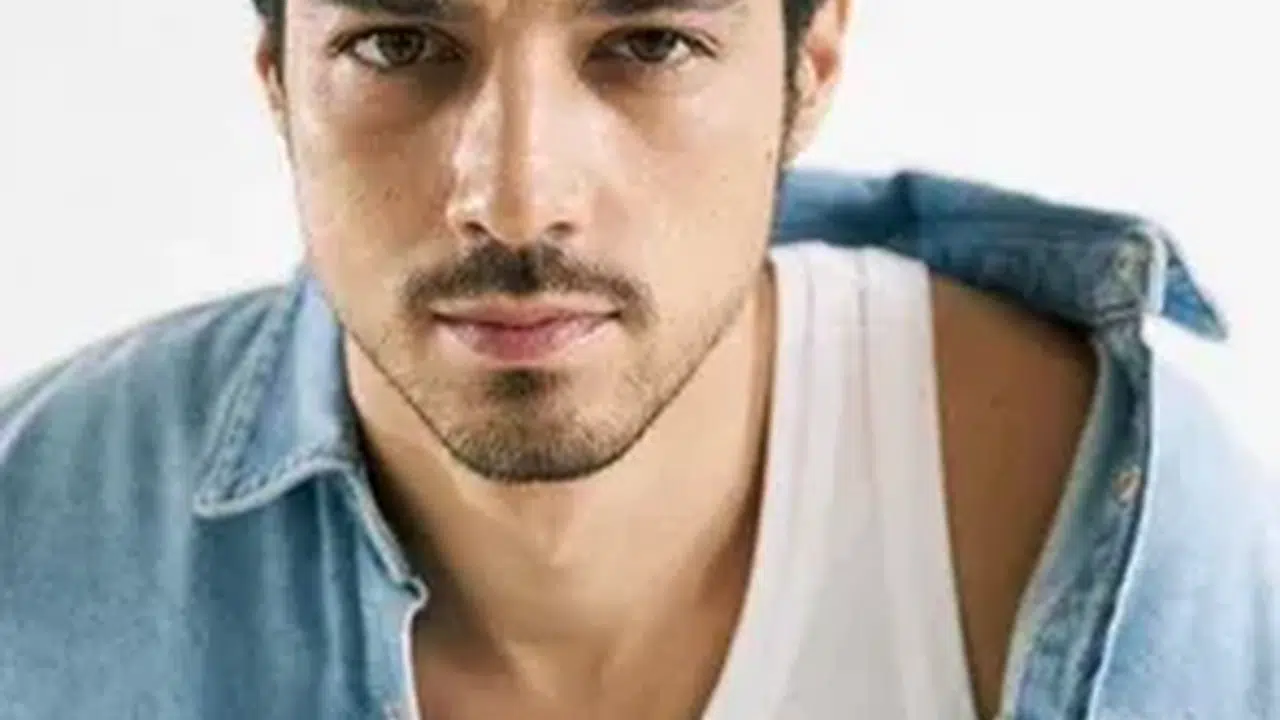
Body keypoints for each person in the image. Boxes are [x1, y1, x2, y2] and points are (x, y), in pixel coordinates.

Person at [1, 0, 1276, 716]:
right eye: (397, 44)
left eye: (649, 42)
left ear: (809, 67)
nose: (515, 197)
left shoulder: (1094, 505)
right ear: (279, 84)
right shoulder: (35, 537)